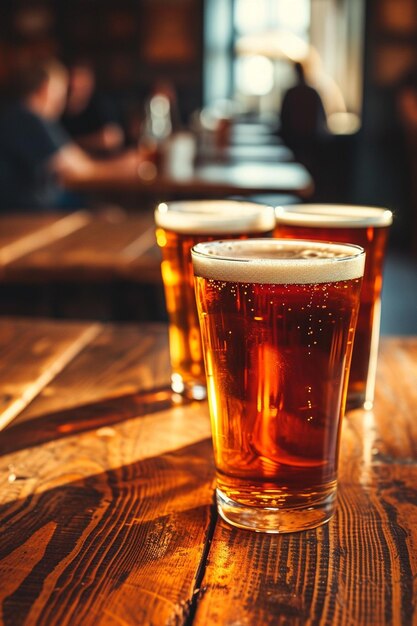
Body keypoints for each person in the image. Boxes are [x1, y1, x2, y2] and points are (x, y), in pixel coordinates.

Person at [0, 59, 141, 212]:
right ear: (47, 89)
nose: (65, 98)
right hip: (25, 213)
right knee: (112, 217)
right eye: (63, 89)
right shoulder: (27, 119)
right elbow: (78, 169)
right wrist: (125, 165)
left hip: (37, 206)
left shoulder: (25, 116)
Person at [61, 60, 125, 155]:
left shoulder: (101, 104)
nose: (76, 86)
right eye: (73, 85)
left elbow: (110, 139)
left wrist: (69, 143)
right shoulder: (58, 108)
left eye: (82, 84)